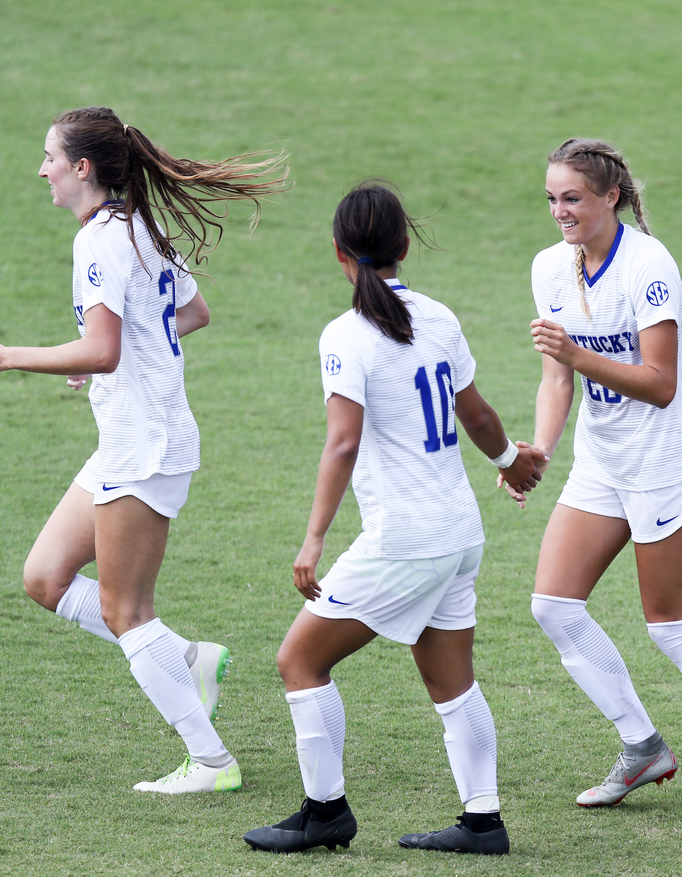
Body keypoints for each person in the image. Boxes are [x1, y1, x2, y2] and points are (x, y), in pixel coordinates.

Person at [0, 106, 288, 793]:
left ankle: (212, 761)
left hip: (146, 445)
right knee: (45, 576)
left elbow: (105, 349)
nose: (40, 169)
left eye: (49, 157)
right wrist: (110, 351)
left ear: (82, 168)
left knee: (124, 612)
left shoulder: (99, 241)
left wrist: (8, 355)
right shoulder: (139, 226)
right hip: (130, 440)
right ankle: (188, 658)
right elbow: (190, 313)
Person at [242, 181, 541, 856]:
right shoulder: (437, 316)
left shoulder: (346, 335)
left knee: (299, 660)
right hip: (459, 534)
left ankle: (326, 813)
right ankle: (483, 821)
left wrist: (314, 536)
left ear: (339, 256)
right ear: (405, 247)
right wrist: (509, 460)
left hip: (405, 541)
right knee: (450, 681)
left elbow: (343, 441)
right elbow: (479, 414)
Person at [511, 138, 682, 817]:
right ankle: (642, 746)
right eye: (551, 198)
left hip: (663, 466)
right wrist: (540, 448)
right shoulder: (549, 268)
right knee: (554, 605)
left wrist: (576, 353)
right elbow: (555, 375)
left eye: (572, 197)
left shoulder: (649, 266)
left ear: (610, 197)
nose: (560, 211)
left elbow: (660, 384)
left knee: (671, 625)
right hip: (601, 463)